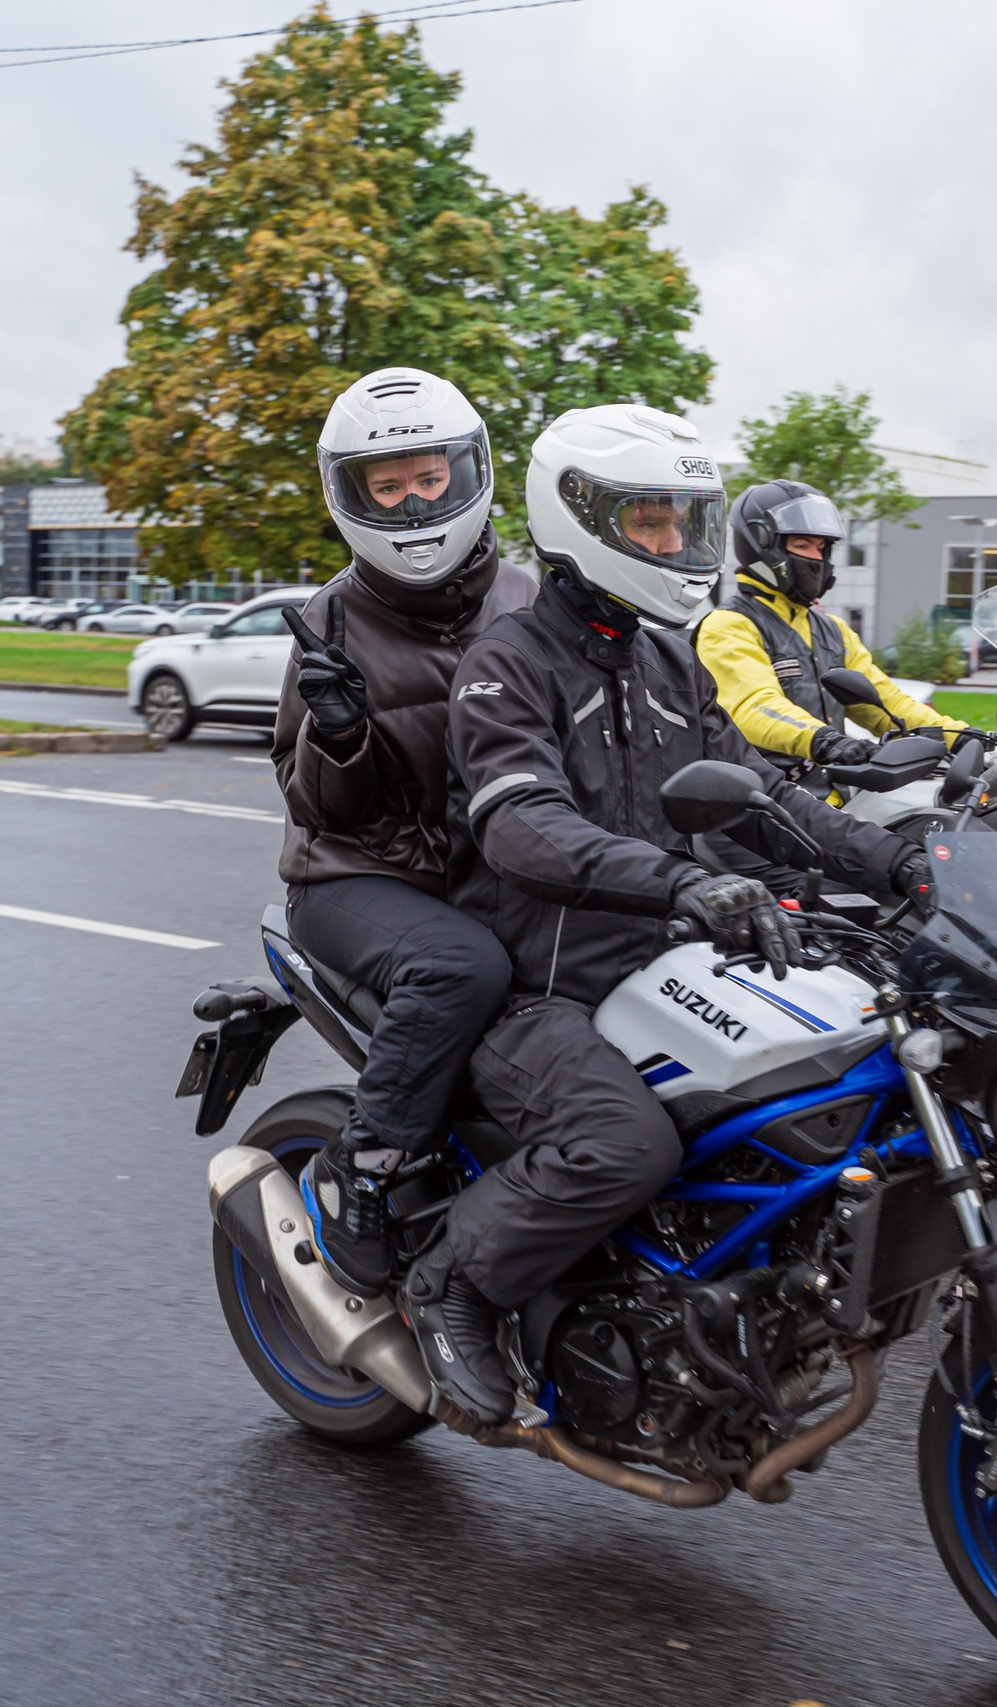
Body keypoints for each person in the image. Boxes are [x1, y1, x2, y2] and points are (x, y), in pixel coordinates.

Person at [411, 405, 931, 1428]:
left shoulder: (669, 661)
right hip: (539, 986)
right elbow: (522, 827)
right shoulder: (506, 663)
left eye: (684, 524)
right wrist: (682, 884)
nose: (672, 547)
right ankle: (451, 1287)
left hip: (664, 961)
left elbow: (759, 798)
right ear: (578, 519)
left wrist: (906, 865)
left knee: (853, 1075)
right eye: (648, 524)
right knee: (625, 1143)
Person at [272, 366, 536, 1294]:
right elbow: (315, 810)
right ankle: (364, 1172)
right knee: (463, 967)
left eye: (428, 477)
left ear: (469, 471)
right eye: (387, 486)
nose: (414, 501)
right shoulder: (329, 618)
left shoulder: (530, 599)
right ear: (350, 495)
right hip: (356, 874)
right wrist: (338, 735)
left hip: (493, 867)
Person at [695, 478, 965, 795]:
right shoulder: (730, 625)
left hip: (827, 804)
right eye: (802, 545)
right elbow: (753, 706)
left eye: (821, 548)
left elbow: (887, 705)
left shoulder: (833, 631)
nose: (816, 558)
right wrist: (826, 741)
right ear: (761, 545)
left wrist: (962, 737)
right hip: (757, 807)